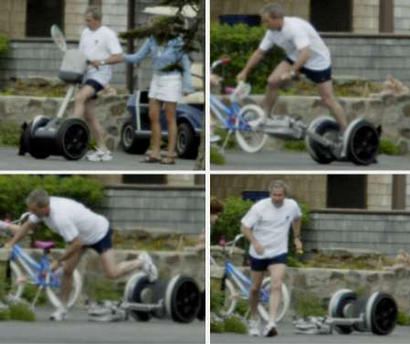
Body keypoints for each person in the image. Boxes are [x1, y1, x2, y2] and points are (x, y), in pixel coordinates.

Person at [0, 189, 158, 321]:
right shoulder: (40, 210)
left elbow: (76, 244)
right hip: (80, 237)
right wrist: (11, 243)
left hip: (99, 233)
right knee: (68, 271)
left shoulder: (60, 217)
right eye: (31, 210)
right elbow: (27, 226)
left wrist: (58, 262)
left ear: (44, 207)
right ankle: (62, 308)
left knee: (112, 273)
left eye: (34, 210)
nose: (32, 213)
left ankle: (141, 261)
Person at [237, 3, 348, 131]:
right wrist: (245, 71)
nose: (264, 24)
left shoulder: (294, 28)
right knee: (272, 81)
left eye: (266, 21)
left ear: (277, 19)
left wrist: (292, 72)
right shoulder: (271, 32)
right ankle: (265, 115)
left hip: (318, 61)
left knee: (327, 100)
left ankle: (345, 130)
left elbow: (306, 52)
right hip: (296, 56)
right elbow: (259, 52)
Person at [104, 16, 193, 164]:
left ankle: (170, 154)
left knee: (170, 118)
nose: (153, 30)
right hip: (156, 79)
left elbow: (186, 64)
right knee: (153, 116)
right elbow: (137, 57)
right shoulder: (152, 40)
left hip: (171, 79)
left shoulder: (177, 42)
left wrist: (187, 86)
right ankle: (156, 152)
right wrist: (121, 57)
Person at [240, 180, 303, 337]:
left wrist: (296, 237)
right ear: (270, 194)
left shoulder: (292, 205)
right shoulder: (260, 207)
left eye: (279, 195)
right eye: (274, 195)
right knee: (255, 288)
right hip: (259, 252)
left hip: (278, 251)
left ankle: (271, 322)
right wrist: (255, 242)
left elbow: (297, 218)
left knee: (276, 284)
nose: (276, 198)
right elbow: (245, 227)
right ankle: (254, 319)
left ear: (285, 195)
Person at [74, 6, 124, 162]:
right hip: (86, 75)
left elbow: (119, 57)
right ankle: (103, 150)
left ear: (98, 20)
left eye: (89, 20)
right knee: (90, 116)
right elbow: (81, 55)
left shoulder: (108, 34)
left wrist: (101, 61)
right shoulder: (85, 33)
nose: (86, 23)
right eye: (86, 20)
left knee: (80, 98)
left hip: (100, 75)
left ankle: (70, 130)